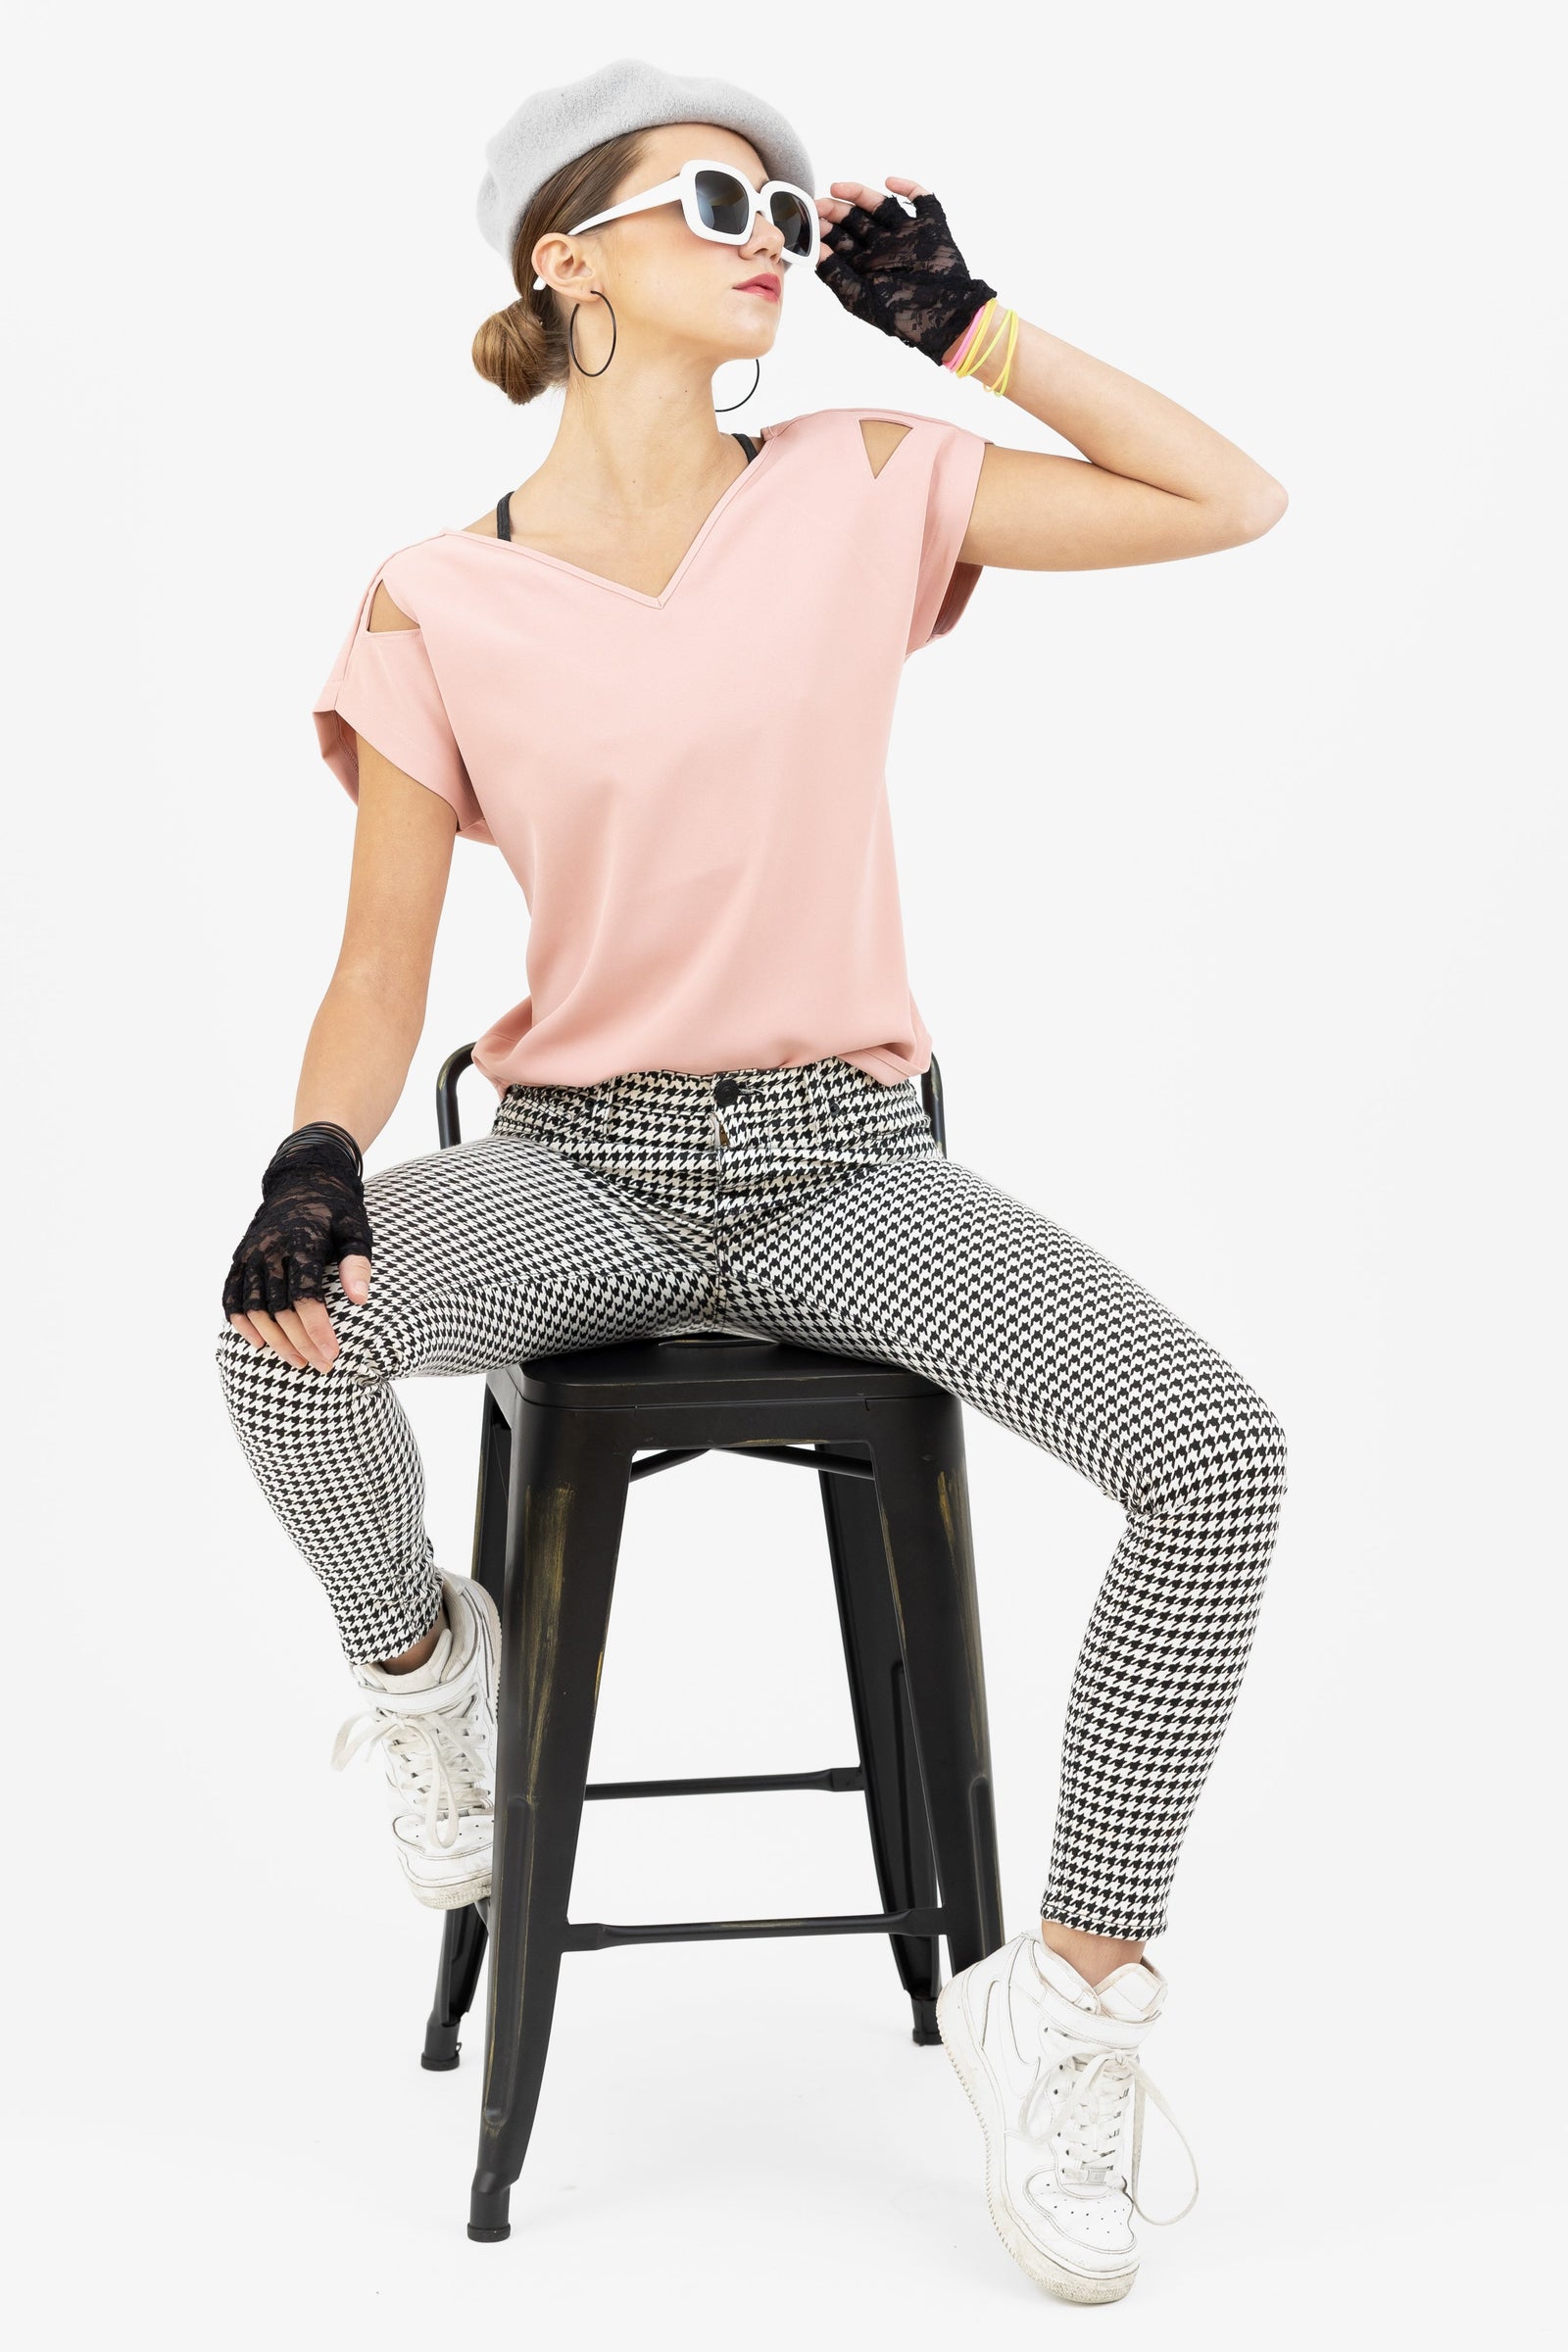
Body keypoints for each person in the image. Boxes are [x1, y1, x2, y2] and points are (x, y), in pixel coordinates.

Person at [214, 55, 1289, 2304]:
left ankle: (1063, 1995)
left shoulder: (861, 479)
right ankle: (421, 1666)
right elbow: (380, 962)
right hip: (577, 1171)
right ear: (567, 259)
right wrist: (316, 1155)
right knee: (277, 1341)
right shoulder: (432, 596)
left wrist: (971, 331)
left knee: (1213, 1457)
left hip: (841, 1169)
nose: (770, 239)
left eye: (789, 220)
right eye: (719, 200)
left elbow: (1225, 499)